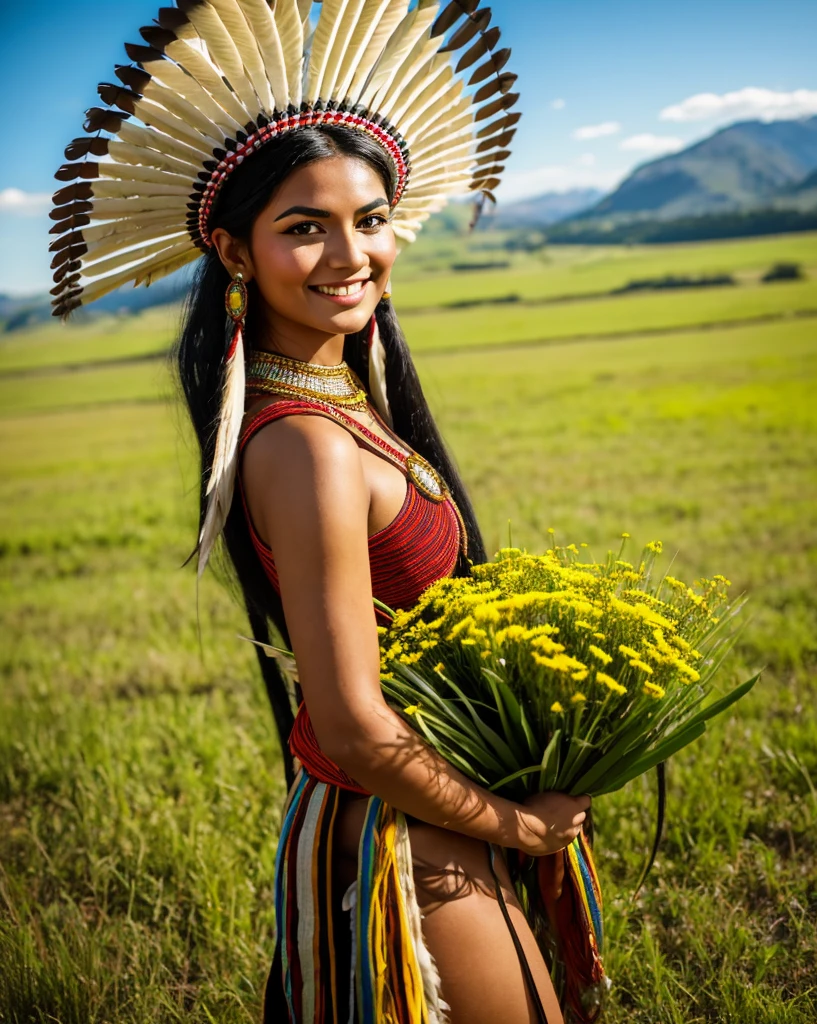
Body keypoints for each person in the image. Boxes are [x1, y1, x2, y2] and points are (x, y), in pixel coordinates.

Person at [50, 3, 591, 1021]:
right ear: (235, 250)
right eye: (304, 226)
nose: (351, 254)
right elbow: (346, 722)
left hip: (439, 812)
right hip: (415, 840)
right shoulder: (303, 442)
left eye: (370, 219)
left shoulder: (347, 409)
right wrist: (521, 826)